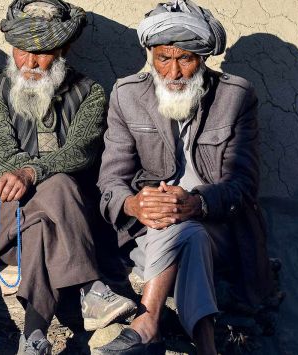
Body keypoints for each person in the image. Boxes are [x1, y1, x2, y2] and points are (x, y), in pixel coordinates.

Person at [94, 1, 274, 354]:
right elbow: (110, 181)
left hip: (220, 228)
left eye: (185, 59)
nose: (173, 72)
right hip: (148, 231)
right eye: (163, 58)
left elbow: (243, 184)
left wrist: (197, 203)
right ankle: (206, 345)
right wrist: (135, 203)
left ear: (203, 58)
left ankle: (147, 323)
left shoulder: (236, 97)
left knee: (182, 222)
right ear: (150, 54)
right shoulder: (127, 94)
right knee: (177, 224)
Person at [0, 1, 136, 353]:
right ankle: (90, 288)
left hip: (69, 220)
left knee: (47, 214)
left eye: (44, 53)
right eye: (23, 52)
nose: (32, 64)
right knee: (59, 184)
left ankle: (33, 338)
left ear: (64, 49)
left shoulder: (91, 92)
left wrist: (33, 170)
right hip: (8, 211)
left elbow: (81, 151)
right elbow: (0, 153)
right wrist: (27, 173)